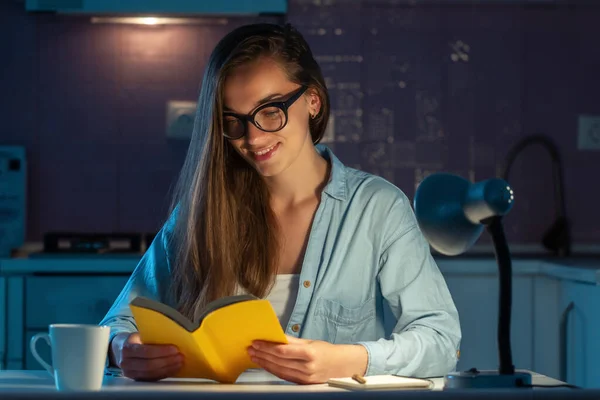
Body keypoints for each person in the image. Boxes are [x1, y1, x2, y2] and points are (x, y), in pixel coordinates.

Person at [99, 22, 461, 384]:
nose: (253, 138)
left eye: (270, 110)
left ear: (313, 101)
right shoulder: (201, 212)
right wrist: (122, 347)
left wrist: (348, 359)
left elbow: (441, 341)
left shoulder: (376, 208)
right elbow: (116, 325)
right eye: (233, 121)